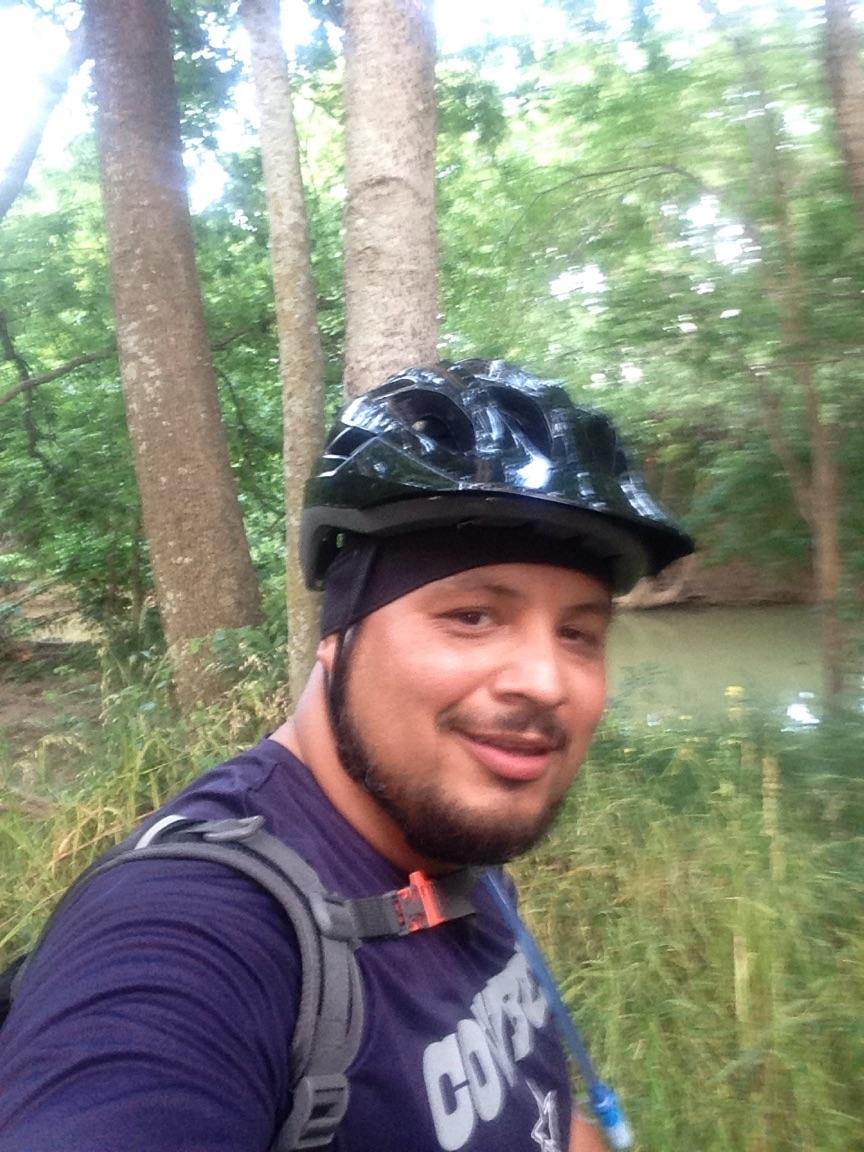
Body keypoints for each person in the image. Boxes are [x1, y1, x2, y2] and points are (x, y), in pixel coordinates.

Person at [0, 359, 693, 1152]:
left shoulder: (453, 833)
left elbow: (535, 1108)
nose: (546, 681)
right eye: (472, 616)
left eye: (578, 633)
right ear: (338, 636)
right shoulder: (187, 932)